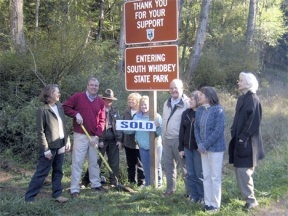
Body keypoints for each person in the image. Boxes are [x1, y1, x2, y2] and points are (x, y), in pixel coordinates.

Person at [25, 84, 70, 203]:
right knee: (42, 172)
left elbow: (63, 126)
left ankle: (57, 195)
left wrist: (67, 140)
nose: (59, 94)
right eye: (57, 92)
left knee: (58, 171)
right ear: (50, 94)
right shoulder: (42, 110)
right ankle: (29, 198)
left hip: (60, 144)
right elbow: (40, 132)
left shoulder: (59, 106)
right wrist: (46, 150)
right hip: (49, 147)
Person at [63, 77, 107, 198]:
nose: (94, 87)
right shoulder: (78, 97)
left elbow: (102, 120)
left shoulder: (100, 102)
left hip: (94, 137)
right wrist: (76, 114)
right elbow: (65, 107)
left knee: (94, 162)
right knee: (78, 162)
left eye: (96, 86)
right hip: (80, 135)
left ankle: (95, 184)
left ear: (98, 87)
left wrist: (97, 136)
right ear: (87, 86)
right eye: (92, 85)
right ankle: (74, 189)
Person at [228, 72, 264, 210]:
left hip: (248, 142)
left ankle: (251, 200)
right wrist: (233, 131)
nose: (239, 82)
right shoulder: (242, 99)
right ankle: (247, 197)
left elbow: (254, 122)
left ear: (249, 83)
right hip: (239, 140)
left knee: (244, 170)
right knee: (239, 169)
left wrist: (243, 138)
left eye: (241, 81)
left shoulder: (253, 99)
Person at [81, 89, 123, 186]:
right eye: (107, 99)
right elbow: (96, 125)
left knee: (114, 162)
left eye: (111, 100)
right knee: (96, 161)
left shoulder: (115, 111)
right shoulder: (98, 109)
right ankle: (86, 180)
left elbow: (118, 126)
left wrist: (119, 140)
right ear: (103, 99)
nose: (109, 102)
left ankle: (114, 182)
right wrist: (99, 139)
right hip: (101, 139)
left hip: (113, 140)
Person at [194, 86, 226, 212]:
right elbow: (196, 128)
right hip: (203, 149)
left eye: (201, 95)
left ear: (208, 96)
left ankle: (215, 205)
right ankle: (207, 203)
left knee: (215, 177)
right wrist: (200, 144)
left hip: (216, 149)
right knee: (206, 176)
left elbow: (218, 131)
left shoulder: (219, 110)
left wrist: (204, 145)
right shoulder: (200, 110)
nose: (199, 97)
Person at [124, 95, 162, 189]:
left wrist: (157, 126)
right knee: (146, 166)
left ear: (150, 105)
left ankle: (158, 184)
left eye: (145, 105)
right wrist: (123, 127)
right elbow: (131, 130)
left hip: (155, 146)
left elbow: (159, 133)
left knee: (156, 165)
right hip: (142, 146)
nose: (143, 107)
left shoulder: (156, 116)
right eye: (141, 105)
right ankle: (148, 184)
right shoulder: (137, 117)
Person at [161, 79, 190, 196]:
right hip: (166, 139)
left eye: (176, 88)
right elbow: (164, 121)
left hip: (179, 140)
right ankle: (170, 189)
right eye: (171, 88)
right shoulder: (166, 103)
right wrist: (163, 137)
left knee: (185, 168)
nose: (173, 90)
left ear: (182, 89)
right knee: (168, 166)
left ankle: (189, 192)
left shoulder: (187, 103)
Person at [178, 90, 204, 203]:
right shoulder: (186, 113)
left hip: (198, 149)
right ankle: (194, 196)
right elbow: (181, 132)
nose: (189, 101)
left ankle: (202, 196)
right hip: (187, 148)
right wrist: (181, 148)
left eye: (192, 99)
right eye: (189, 99)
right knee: (190, 173)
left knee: (199, 174)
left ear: (198, 100)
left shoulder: (203, 112)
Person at [122, 93, 145, 187]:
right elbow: (122, 127)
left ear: (138, 102)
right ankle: (131, 182)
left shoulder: (141, 113)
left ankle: (141, 182)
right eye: (129, 99)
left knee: (140, 164)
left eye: (133, 100)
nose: (130, 101)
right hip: (127, 142)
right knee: (130, 164)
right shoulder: (126, 112)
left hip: (138, 143)